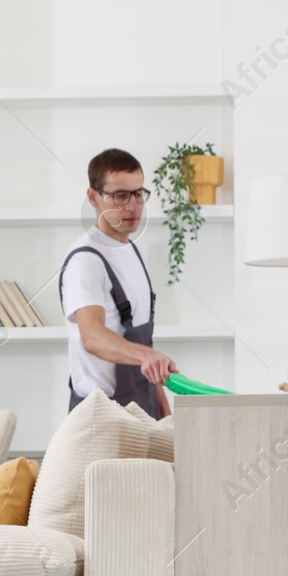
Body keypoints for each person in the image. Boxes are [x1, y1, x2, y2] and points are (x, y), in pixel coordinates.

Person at [59, 147, 176, 418]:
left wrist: (163, 409)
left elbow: (142, 345)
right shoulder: (86, 260)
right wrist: (148, 357)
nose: (132, 206)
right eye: (120, 195)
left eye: (138, 194)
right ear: (93, 197)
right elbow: (93, 337)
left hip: (143, 408)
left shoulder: (132, 251)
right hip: (102, 417)